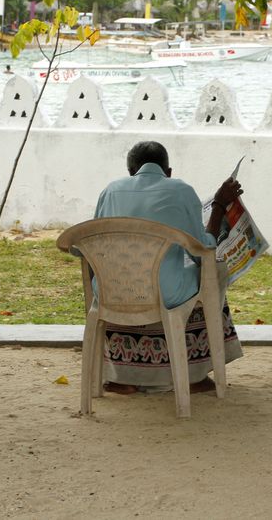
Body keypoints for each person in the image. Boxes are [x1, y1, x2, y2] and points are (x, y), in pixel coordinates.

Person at [92, 140, 244, 394]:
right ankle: (193, 376)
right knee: (213, 274)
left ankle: (122, 376)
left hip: (111, 290)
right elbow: (202, 251)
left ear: (130, 172)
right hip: (166, 293)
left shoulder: (110, 191)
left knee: (127, 278)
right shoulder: (180, 190)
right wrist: (218, 206)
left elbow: (91, 242)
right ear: (168, 172)